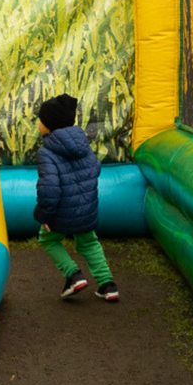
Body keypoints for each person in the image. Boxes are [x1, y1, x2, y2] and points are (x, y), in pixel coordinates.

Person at [33, 93, 119, 302]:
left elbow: (50, 188)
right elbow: (95, 169)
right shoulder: (82, 143)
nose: (38, 123)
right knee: (89, 243)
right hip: (86, 208)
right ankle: (108, 285)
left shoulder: (46, 152)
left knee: (48, 240)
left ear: (49, 125)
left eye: (41, 120)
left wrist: (44, 214)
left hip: (60, 212)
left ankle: (73, 275)